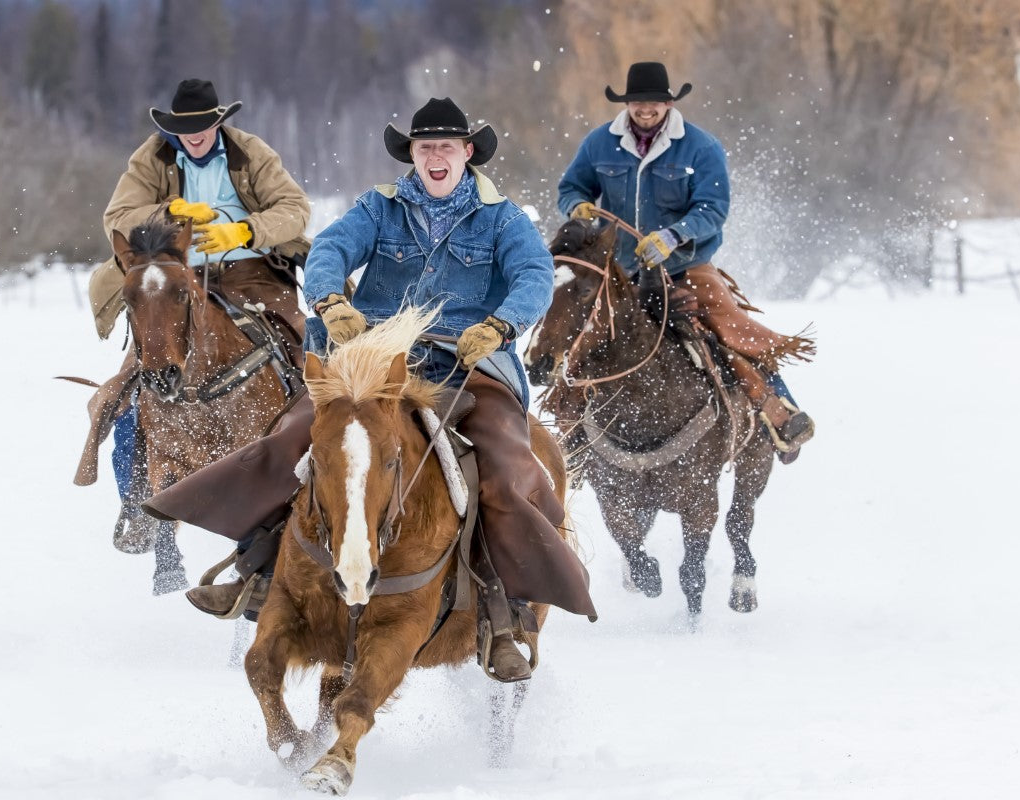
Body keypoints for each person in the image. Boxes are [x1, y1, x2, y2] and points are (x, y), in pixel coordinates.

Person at [143, 97, 597, 681]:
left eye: (446, 147)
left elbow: (535, 275)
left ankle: (504, 611)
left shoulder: (503, 217)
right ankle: (257, 569)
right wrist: (330, 302)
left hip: (467, 363)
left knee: (508, 469)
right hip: (371, 360)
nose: (436, 156)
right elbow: (330, 249)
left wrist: (501, 324)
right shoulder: (378, 207)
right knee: (290, 441)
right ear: (411, 154)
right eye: (425, 147)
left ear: (466, 154)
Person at [75, 79, 312, 558]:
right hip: (176, 278)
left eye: (203, 126)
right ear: (171, 129)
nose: (195, 136)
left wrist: (244, 230)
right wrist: (169, 211)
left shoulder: (251, 153)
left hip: (253, 273)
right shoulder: (153, 157)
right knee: (130, 384)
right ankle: (136, 501)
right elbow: (117, 216)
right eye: (184, 129)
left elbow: (295, 210)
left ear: (219, 122)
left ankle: (324, 450)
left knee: (310, 348)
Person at [557, 62, 815, 462]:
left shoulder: (701, 147)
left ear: (669, 102)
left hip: (685, 266)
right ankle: (567, 425)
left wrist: (673, 236)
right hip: (622, 269)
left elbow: (713, 209)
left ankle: (780, 411)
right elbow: (571, 187)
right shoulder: (598, 144)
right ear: (627, 104)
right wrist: (577, 205)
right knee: (576, 331)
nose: (645, 110)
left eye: (654, 102)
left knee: (727, 331)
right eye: (638, 102)